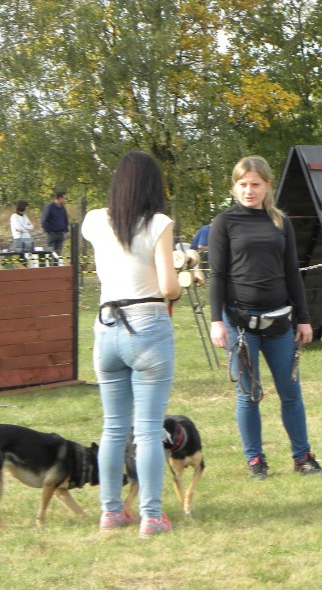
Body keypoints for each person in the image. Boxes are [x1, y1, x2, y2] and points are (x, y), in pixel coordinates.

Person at [81, 151, 181, 537]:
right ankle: (151, 516)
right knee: (149, 429)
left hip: (106, 326)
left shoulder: (93, 221)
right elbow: (170, 287)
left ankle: (110, 512)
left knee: (113, 428)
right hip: (148, 326)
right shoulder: (158, 223)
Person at [208, 156, 322, 480]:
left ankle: (303, 458)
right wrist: (217, 321)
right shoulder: (224, 223)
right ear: (234, 187)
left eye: (255, 184)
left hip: (279, 324)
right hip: (240, 325)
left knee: (291, 394)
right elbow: (216, 274)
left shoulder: (280, 222)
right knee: (249, 395)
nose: (249, 190)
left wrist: (303, 319)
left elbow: (292, 272)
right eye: (243, 184)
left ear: (267, 185)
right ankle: (256, 461)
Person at [41, 191, 70, 260]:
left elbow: (65, 218)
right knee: (50, 253)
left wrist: (65, 229)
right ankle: (49, 268)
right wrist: (47, 230)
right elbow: (43, 220)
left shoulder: (62, 208)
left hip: (60, 233)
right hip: (52, 234)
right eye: (63, 198)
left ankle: (56, 267)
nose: (64, 200)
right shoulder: (49, 207)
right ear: (59, 198)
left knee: (58, 254)